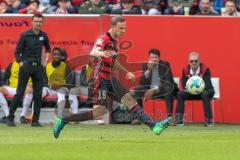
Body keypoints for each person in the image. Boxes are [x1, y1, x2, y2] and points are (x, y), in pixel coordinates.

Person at [53, 16, 172, 139]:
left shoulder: (115, 43)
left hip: (110, 79)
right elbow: (93, 52)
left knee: (130, 100)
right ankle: (63, 120)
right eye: (121, 28)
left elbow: (113, 61)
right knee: (98, 112)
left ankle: (154, 126)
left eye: (125, 28)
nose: (123, 31)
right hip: (99, 81)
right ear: (113, 27)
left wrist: (126, 72)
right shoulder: (103, 38)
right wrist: (101, 53)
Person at [6, 13, 51, 127]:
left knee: (38, 94)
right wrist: (21, 63)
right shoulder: (25, 35)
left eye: (40, 21)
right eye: (36, 21)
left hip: (38, 68)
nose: (38, 23)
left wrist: (45, 61)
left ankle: (35, 121)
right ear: (32, 22)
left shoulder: (44, 35)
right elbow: (17, 52)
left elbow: (48, 49)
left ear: (42, 22)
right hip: (26, 67)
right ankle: (10, 118)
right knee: (20, 92)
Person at [135, 48, 178, 118]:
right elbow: (142, 82)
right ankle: (140, 117)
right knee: (138, 89)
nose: (154, 59)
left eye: (156, 57)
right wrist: (148, 70)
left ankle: (169, 118)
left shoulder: (165, 65)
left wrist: (156, 89)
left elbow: (168, 81)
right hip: (150, 91)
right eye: (152, 57)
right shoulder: (146, 66)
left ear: (159, 58)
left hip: (162, 90)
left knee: (168, 88)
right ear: (149, 58)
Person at [175, 52, 214, 127]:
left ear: (199, 61)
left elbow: (208, 84)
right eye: (191, 61)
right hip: (190, 92)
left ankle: (208, 120)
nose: (194, 63)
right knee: (180, 94)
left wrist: (197, 87)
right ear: (188, 62)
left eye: (196, 61)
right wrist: (191, 89)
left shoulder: (205, 69)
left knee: (205, 94)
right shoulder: (185, 69)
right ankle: (179, 119)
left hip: (204, 92)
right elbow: (183, 84)